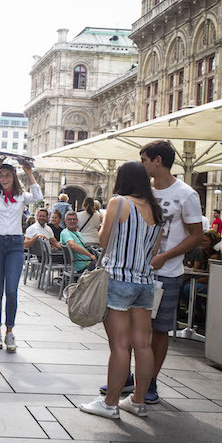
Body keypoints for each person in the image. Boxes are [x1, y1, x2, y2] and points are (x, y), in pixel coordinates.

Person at [79, 161, 163, 420]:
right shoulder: (156, 209)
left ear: (122, 179)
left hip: (119, 280)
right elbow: (155, 251)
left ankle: (111, 403)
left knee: (119, 345)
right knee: (143, 344)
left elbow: (104, 240)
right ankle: (138, 401)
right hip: (145, 282)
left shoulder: (119, 202)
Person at [136, 140, 203, 404]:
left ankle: (151, 380)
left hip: (168, 273)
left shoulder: (186, 194)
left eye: (144, 160)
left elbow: (197, 236)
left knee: (160, 329)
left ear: (158, 161)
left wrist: (164, 256)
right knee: (137, 329)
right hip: (139, 272)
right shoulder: (145, 193)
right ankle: (136, 375)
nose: (142, 165)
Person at [0, 157, 42, 352]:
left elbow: (38, 196)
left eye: (8, 175)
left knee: (12, 291)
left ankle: (10, 331)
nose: (4, 178)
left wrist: (29, 172)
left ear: (14, 177)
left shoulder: (21, 196)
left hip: (15, 245)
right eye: (2, 175)